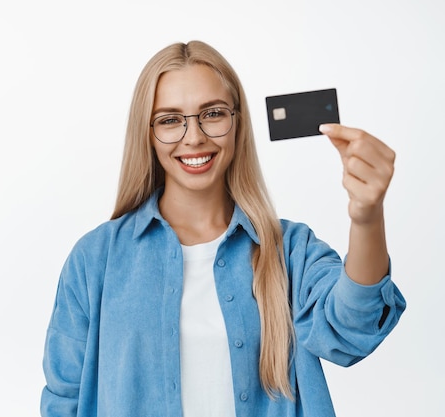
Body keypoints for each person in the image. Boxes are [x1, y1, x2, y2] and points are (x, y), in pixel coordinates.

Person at [40, 40, 406, 417]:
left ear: (237, 122)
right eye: (169, 120)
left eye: (212, 114)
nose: (194, 137)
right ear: (147, 133)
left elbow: (352, 330)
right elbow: (64, 398)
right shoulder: (95, 260)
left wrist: (367, 217)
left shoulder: (290, 251)